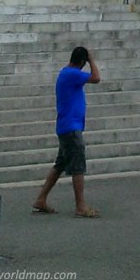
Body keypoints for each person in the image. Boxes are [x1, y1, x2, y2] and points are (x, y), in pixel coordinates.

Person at [32, 46, 101, 218]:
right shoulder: (72, 73)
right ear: (82, 62)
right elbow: (96, 78)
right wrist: (92, 60)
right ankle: (80, 206)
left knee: (60, 165)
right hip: (71, 128)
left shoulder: (66, 73)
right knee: (78, 166)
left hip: (66, 126)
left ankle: (41, 199)